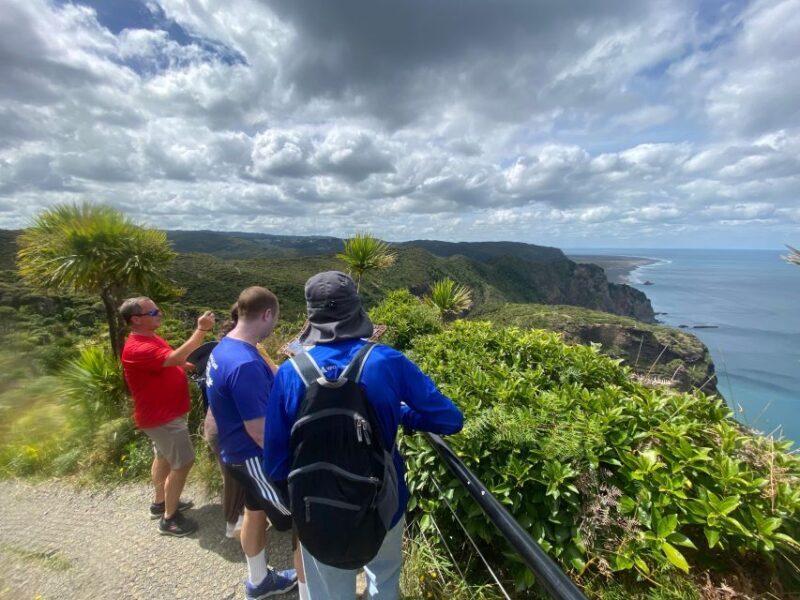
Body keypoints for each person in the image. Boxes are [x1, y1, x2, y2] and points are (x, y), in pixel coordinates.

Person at [264, 271, 464, 600]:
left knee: (328, 592)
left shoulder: (290, 373)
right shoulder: (387, 361)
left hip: (316, 506)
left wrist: (299, 505)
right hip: (382, 501)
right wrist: (401, 413)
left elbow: (274, 461)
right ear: (357, 310)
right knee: (383, 579)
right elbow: (450, 419)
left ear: (312, 318)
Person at [205, 287, 299, 599]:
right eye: (276, 318)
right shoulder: (245, 363)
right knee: (303, 521)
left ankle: (259, 581)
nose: (275, 325)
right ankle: (310, 590)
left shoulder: (225, 348)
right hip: (254, 458)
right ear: (267, 314)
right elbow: (260, 432)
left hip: (235, 453)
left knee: (255, 511)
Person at [119, 296, 215, 537]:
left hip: (162, 415)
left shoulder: (149, 338)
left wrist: (185, 365)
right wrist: (201, 330)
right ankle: (170, 519)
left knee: (163, 458)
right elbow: (173, 358)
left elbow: (169, 361)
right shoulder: (137, 347)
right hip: (163, 418)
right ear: (136, 320)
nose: (159, 314)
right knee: (183, 462)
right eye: (153, 312)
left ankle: (160, 502)